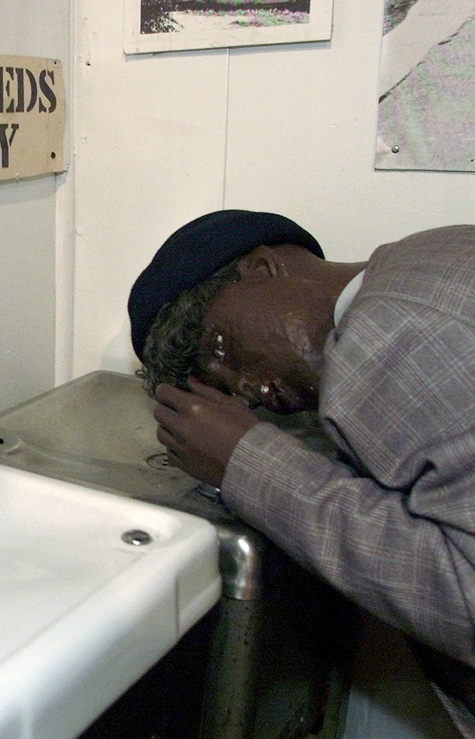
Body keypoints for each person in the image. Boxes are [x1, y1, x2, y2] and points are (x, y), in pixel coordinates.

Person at [127, 209, 475, 737]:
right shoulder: (430, 253)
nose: (242, 389)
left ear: (263, 269)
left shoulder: (380, 339)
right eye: (218, 385)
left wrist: (249, 463)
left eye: (220, 345)